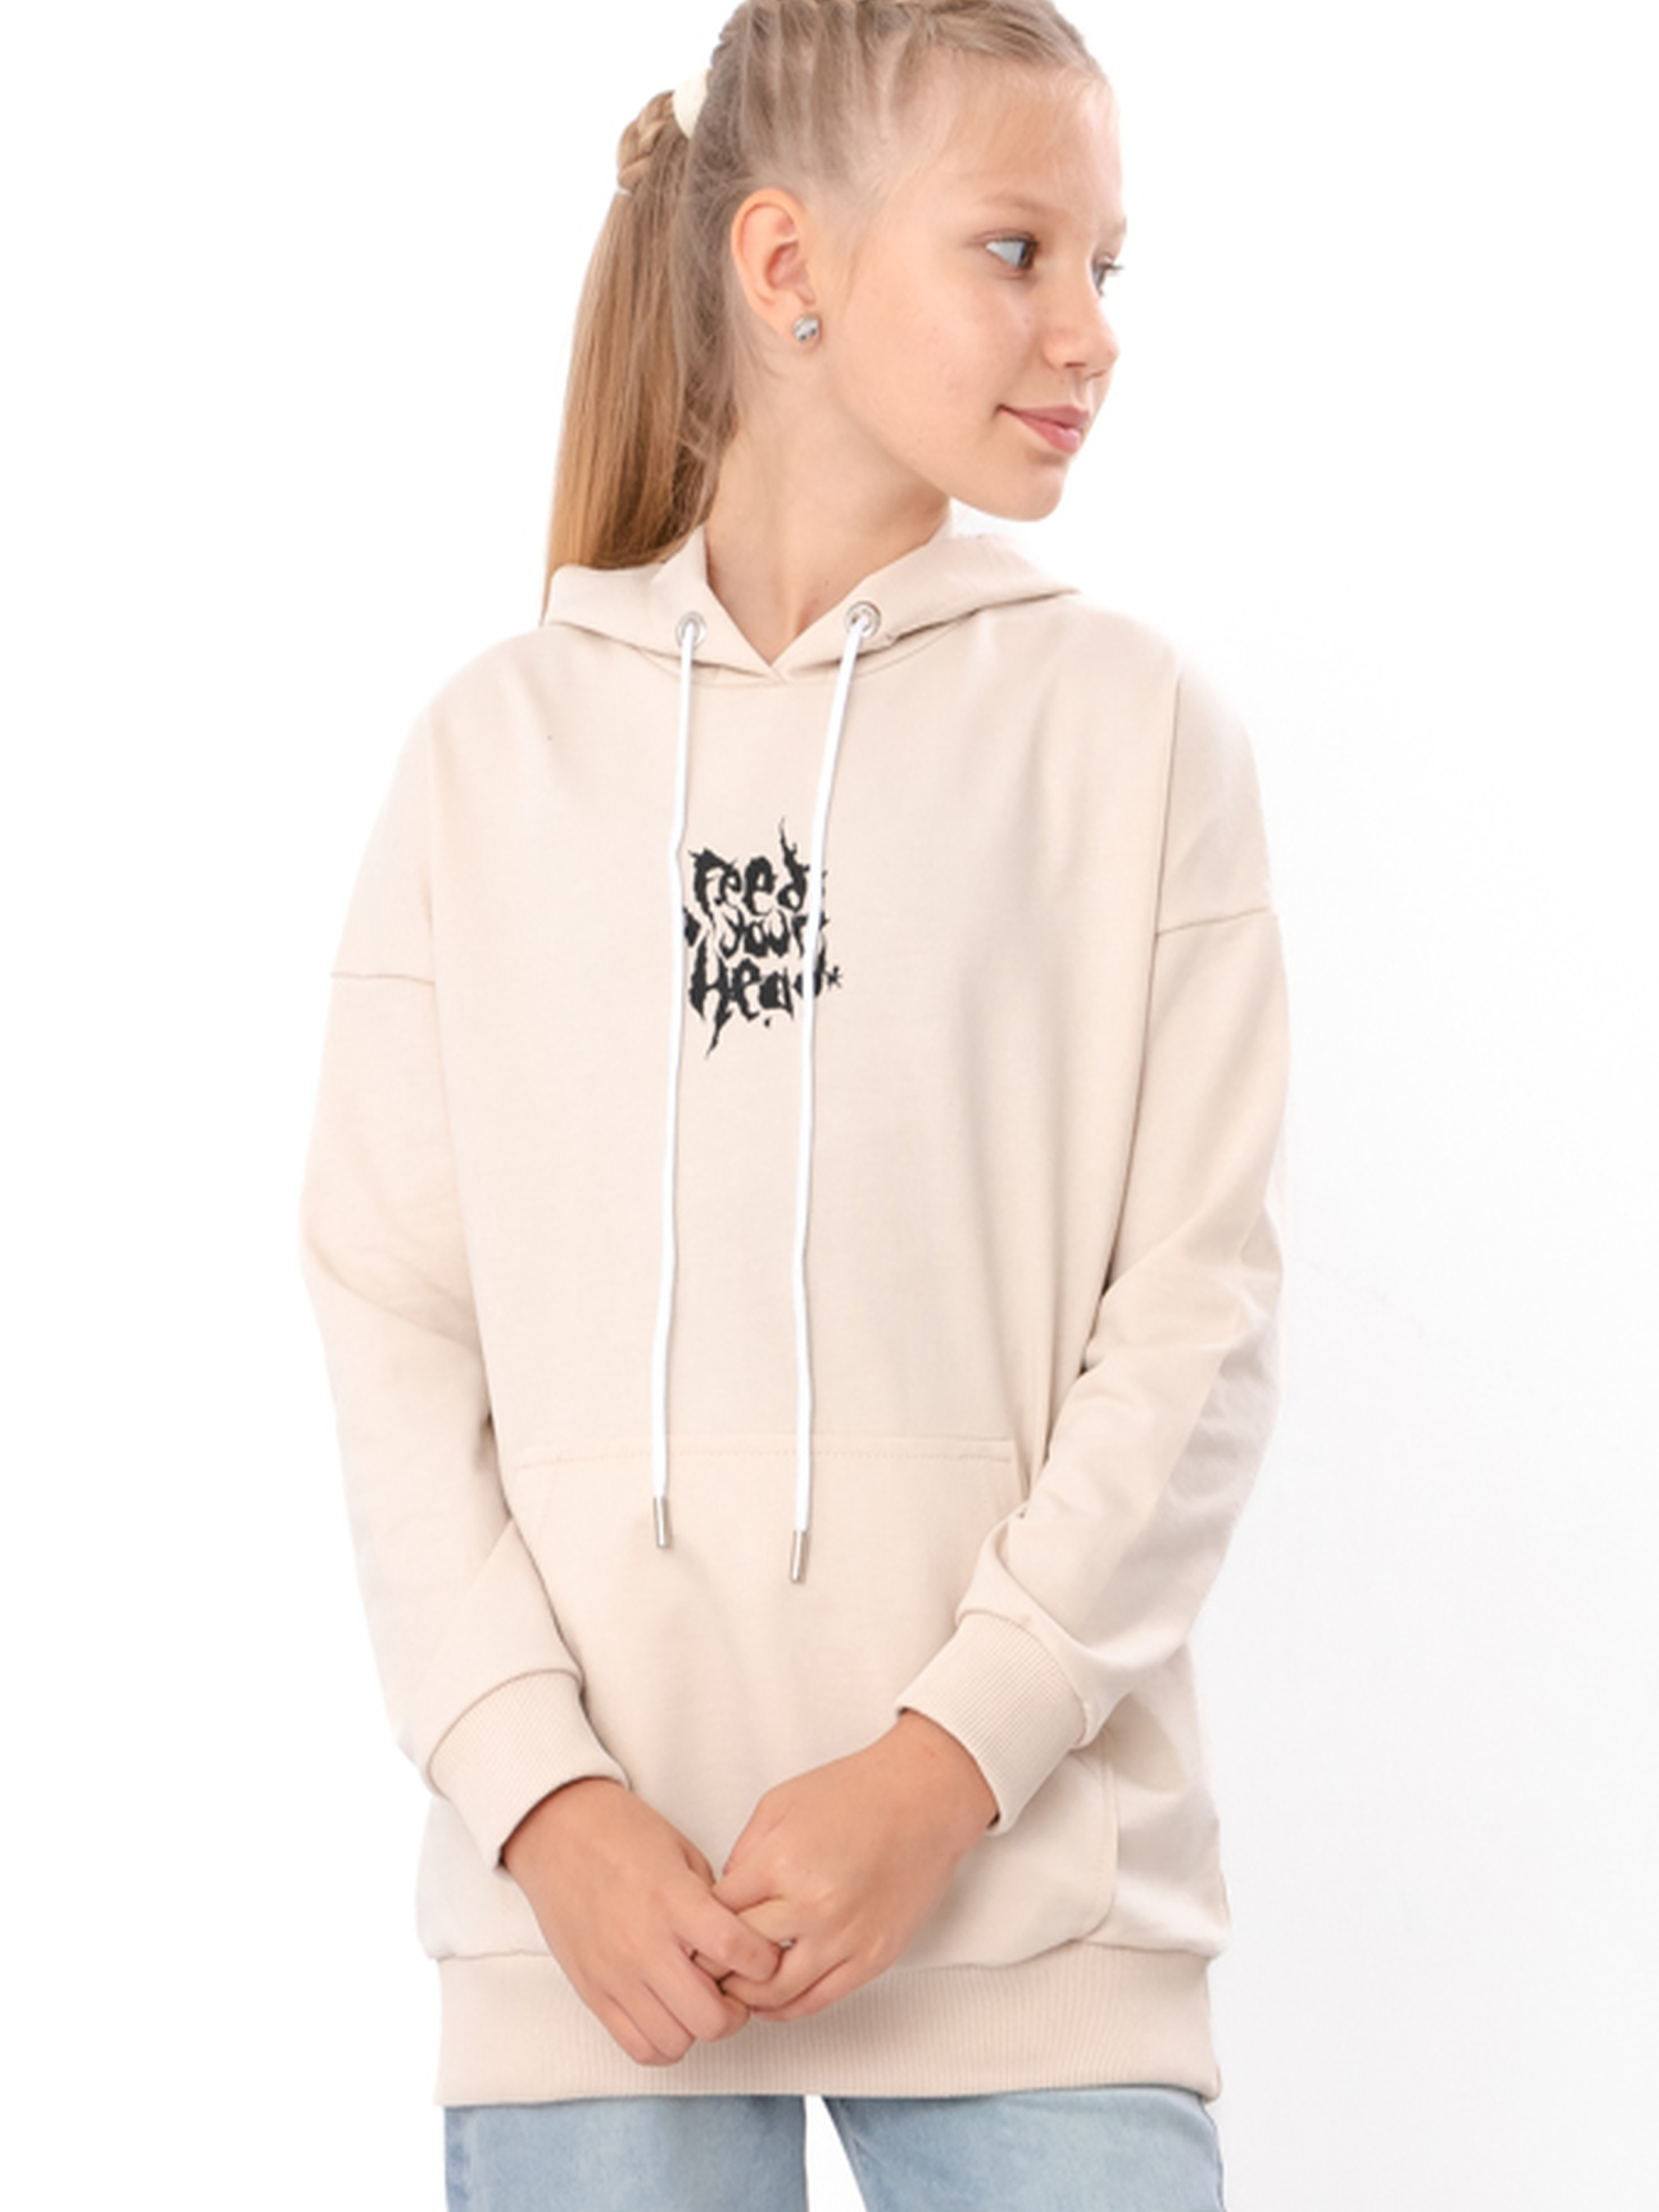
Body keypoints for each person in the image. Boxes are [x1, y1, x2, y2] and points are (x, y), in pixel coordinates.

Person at [300, 2, 1286, 2205]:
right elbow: (391, 1321)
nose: (1088, 329)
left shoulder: (1134, 738)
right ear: (784, 265)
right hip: (588, 1943)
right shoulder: (491, 758)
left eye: (1108, 264)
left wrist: (941, 1767)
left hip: (1033, 1907)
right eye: (1017, 248)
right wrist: (540, 1796)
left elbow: (1194, 1326)